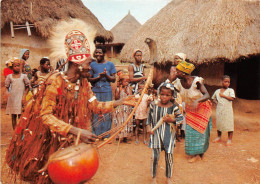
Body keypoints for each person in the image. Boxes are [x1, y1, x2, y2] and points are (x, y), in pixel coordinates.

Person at [5, 30, 136, 184]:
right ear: (77, 64)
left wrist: (119, 102)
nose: (91, 67)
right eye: (89, 64)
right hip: (47, 139)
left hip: (68, 137)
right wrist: (76, 131)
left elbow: (94, 105)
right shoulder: (55, 81)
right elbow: (45, 115)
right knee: (48, 176)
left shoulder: (84, 84)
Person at [174, 60, 212, 163]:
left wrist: (197, 101)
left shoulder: (197, 81)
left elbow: (207, 95)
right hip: (191, 110)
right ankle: (194, 154)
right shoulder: (178, 83)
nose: (175, 73)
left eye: (177, 71)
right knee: (191, 133)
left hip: (202, 108)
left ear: (184, 73)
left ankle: (200, 154)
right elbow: (172, 93)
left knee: (201, 132)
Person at [146, 81, 183, 184]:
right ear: (159, 93)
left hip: (168, 135)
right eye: (162, 94)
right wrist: (149, 127)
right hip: (156, 134)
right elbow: (148, 118)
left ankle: (168, 178)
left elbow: (180, 118)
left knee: (169, 157)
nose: (164, 97)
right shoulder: (153, 105)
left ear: (172, 96)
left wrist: (171, 120)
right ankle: (153, 178)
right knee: (155, 157)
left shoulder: (173, 107)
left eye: (167, 95)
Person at [88, 46, 117, 139]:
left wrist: (106, 75)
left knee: (107, 111)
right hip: (95, 92)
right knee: (95, 112)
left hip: (107, 91)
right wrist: (98, 78)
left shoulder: (110, 64)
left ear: (104, 54)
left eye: (100, 53)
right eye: (96, 53)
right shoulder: (92, 65)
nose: (98, 54)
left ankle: (106, 134)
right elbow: (90, 79)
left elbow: (113, 79)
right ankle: (96, 134)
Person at [5, 57, 30, 130]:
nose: (17, 67)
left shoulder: (24, 76)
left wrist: (24, 96)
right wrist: (7, 92)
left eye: (18, 65)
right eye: (15, 66)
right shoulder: (9, 77)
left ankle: (20, 132)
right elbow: (7, 86)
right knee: (13, 116)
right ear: (12, 67)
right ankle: (15, 133)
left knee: (21, 115)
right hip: (12, 98)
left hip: (21, 98)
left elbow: (27, 87)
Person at [212, 75, 235, 146]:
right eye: (225, 82)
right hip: (220, 110)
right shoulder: (217, 91)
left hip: (228, 110)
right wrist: (217, 103)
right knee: (219, 123)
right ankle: (219, 137)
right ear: (222, 82)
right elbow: (213, 98)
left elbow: (232, 98)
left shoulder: (230, 90)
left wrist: (223, 96)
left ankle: (229, 140)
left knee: (229, 124)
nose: (227, 83)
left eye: (228, 82)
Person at [114, 72, 133, 143]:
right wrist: (120, 90)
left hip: (127, 108)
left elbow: (130, 97)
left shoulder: (129, 88)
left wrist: (127, 93)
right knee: (120, 122)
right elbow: (116, 98)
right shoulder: (118, 89)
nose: (127, 83)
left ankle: (126, 137)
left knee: (127, 122)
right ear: (121, 82)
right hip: (120, 108)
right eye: (125, 81)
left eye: (128, 82)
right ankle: (119, 137)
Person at [134, 81, 150, 145]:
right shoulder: (136, 96)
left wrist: (149, 101)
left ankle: (145, 139)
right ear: (138, 89)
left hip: (144, 113)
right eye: (140, 88)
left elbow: (148, 104)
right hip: (138, 112)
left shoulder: (146, 96)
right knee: (137, 126)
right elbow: (134, 104)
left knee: (144, 126)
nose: (141, 90)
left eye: (143, 89)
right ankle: (136, 139)